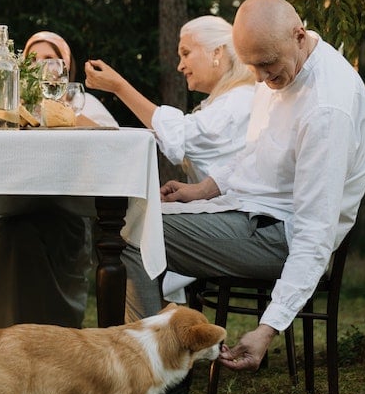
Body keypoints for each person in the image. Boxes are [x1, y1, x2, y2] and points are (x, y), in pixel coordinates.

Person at [120, 0, 365, 394]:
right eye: (251, 66)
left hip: (282, 236)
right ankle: (160, 372)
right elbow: (255, 154)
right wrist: (202, 189)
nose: (259, 78)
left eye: (267, 65)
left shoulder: (326, 109)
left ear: (298, 35)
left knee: (136, 232)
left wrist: (268, 327)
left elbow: (314, 235)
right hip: (252, 213)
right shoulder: (279, 69)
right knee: (140, 216)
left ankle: (155, 385)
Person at [84, 16, 256, 303]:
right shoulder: (225, 100)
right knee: (134, 220)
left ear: (217, 52)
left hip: (241, 222)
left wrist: (119, 87)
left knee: (136, 229)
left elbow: (183, 135)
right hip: (224, 212)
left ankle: (144, 338)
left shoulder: (240, 100)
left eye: (186, 53)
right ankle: (151, 331)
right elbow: (172, 135)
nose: (180, 65)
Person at [0, 31, 118, 332]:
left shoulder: (84, 105)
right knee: (10, 235)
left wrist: (66, 117)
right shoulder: (5, 108)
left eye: (52, 59)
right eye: (34, 59)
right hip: (10, 212)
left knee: (28, 236)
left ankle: (49, 343)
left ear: (66, 68)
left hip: (67, 213)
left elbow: (113, 144)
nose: (43, 67)